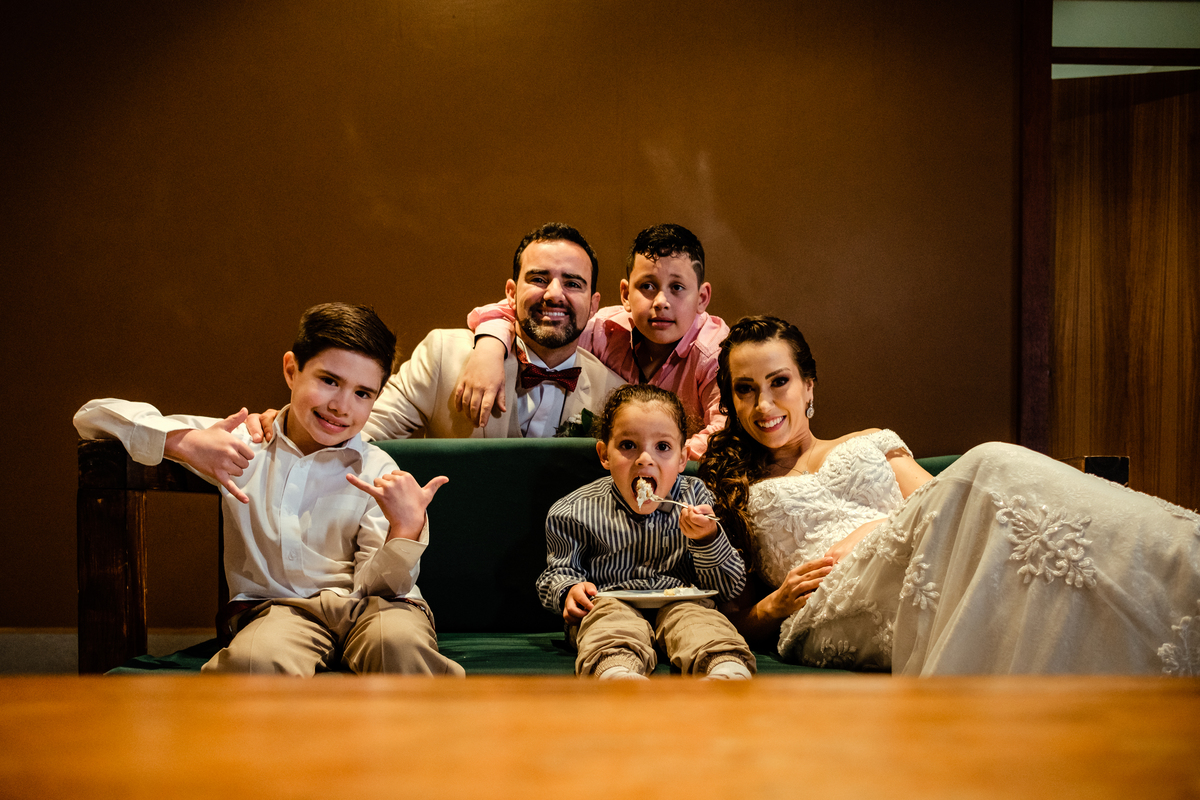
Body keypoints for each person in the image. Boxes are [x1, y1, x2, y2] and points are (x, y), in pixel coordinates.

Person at [700, 315, 1200, 676]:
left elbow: (945, 503)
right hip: (836, 602)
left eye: (779, 382)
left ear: (809, 386)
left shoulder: (870, 440)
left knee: (997, 484)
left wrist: (876, 534)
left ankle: (1184, 560)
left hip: (922, 562)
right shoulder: (732, 485)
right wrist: (775, 605)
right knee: (989, 461)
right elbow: (731, 613)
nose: (763, 404)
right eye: (745, 389)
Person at [74, 303, 466, 676]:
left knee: (398, 644)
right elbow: (93, 416)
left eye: (363, 393)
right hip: (280, 608)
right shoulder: (241, 443)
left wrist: (405, 530)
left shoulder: (378, 467)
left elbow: (382, 588)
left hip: (377, 606)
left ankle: (430, 742)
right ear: (292, 370)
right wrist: (186, 442)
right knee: (255, 662)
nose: (342, 406)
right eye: (329, 381)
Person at [246, 223, 626, 443]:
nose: (554, 293)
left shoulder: (613, 391)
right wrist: (285, 425)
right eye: (539, 278)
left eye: (572, 283)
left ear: (593, 305)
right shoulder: (444, 355)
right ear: (510, 294)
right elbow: (357, 432)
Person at [537, 384, 756, 680]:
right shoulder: (573, 510)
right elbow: (557, 573)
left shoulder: (698, 499)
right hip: (610, 602)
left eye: (662, 447)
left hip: (683, 601)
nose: (645, 459)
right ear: (604, 455)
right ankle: (617, 675)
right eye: (628, 445)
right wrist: (568, 591)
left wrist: (707, 540)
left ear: (682, 459)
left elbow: (730, 587)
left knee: (699, 619)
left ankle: (725, 672)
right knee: (606, 619)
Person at [458, 223, 727, 459]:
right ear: (625, 293)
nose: (661, 302)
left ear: (702, 298)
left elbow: (725, 431)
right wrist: (490, 348)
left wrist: (663, 458)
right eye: (647, 286)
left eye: (677, 288)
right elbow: (527, 313)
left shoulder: (714, 353)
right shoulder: (605, 329)